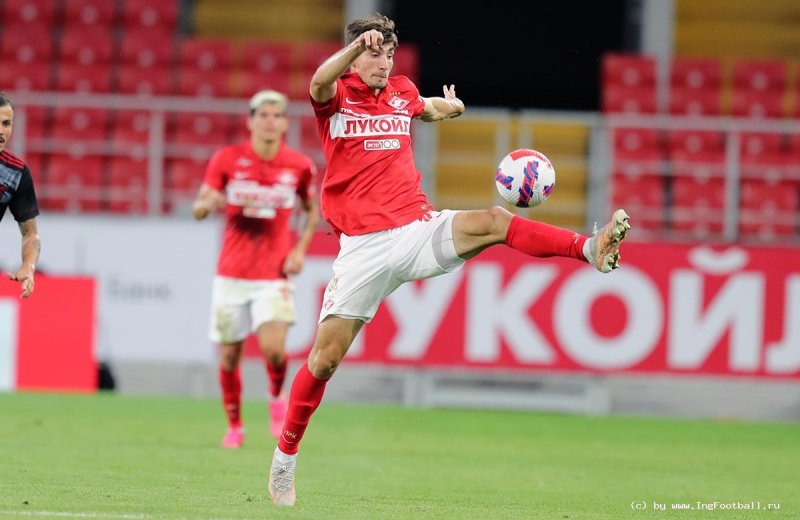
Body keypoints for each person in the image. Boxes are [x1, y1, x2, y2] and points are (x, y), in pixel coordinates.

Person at [268, 14, 630, 506]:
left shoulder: (400, 91)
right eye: (375, 53)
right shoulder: (335, 97)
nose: (384, 63)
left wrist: (448, 107)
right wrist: (355, 52)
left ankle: (588, 248)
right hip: (363, 248)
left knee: (493, 221)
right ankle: (285, 458)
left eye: (389, 54)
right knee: (325, 360)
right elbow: (317, 80)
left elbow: (425, 108)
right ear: (355, 54)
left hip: (416, 228)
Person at [192, 90, 319, 449]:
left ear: (284, 123)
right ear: (249, 121)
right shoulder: (226, 159)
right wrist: (207, 205)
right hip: (231, 273)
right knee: (230, 355)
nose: (269, 120)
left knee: (275, 350)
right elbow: (198, 208)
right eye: (262, 114)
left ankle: (275, 397)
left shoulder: (299, 165)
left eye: (276, 115)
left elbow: (312, 210)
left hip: (272, 274)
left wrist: (299, 249)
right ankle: (235, 425)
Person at [0, 92, 41, 299]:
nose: (1, 132)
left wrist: (28, 265)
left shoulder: (16, 173)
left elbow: (30, 234)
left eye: (6, 124)